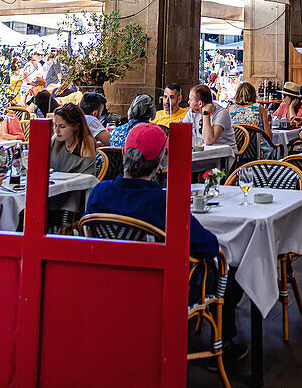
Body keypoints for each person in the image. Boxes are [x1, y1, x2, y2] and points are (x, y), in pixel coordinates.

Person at [85, 122, 246, 362]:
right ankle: (223, 344)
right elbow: (208, 247)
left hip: (108, 279)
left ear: (124, 154)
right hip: (158, 284)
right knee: (232, 274)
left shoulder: (99, 192)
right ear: (160, 161)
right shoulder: (163, 202)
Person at [50, 103, 97, 174]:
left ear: (76, 127)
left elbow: (88, 175)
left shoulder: (85, 142)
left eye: (62, 126)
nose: (56, 130)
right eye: (55, 125)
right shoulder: (55, 139)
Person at [189, 84, 235, 151]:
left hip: (224, 155)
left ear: (200, 103)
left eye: (190, 100)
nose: (188, 102)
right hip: (202, 153)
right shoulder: (192, 112)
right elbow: (181, 132)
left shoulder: (221, 113)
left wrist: (206, 114)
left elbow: (209, 140)